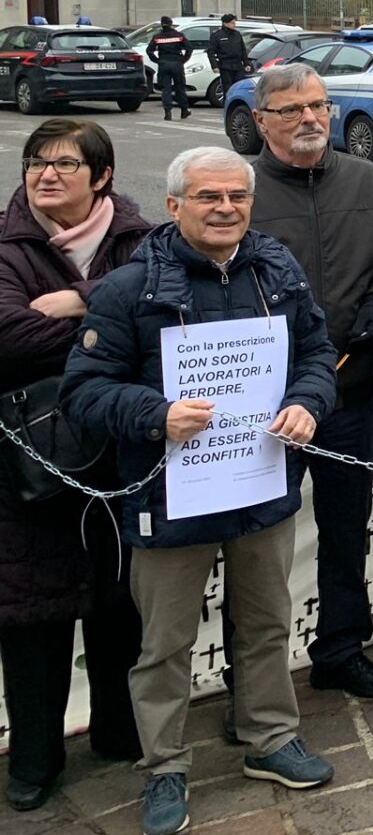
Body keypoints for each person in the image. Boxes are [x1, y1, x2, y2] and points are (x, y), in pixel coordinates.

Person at [62, 147, 338, 835]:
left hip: (260, 486)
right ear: (174, 204)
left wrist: (308, 401)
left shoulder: (278, 270)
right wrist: (155, 415)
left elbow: (315, 354)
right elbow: (84, 390)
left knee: (268, 623)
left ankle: (270, 738)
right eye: (208, 197)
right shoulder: (129, 288)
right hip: (167, 499)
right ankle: (165, 766)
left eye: (236, 198)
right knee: (165, 644)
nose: (224, 209)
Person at [248, 66, 373, 698]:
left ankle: (341, 648)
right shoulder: (240, 190)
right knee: (259, 548)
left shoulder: (369, 181)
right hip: (263, 407)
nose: (310, 119)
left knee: (346, 531)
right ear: (261, 121)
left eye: (318, 105)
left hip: (347, 393)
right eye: (291, 110)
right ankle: (254, 680)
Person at [0, 119, 148, 813]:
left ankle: (121, 734)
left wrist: (86, 301)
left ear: (103, 176)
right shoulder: (6, 245)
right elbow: (8, 333)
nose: (45, 174)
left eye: (63, 163)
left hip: (121, 463)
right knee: (33, 619)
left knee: (120, 606)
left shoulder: (142, 240)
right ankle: (35, 760)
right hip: (29, 470)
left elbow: (166, 318)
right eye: (36, 162)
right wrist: (111, 326)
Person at [146, 16, 191, 121]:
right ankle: (184, 110)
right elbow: (189, 48)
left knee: (166, 89)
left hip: (164, 63)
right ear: (171, 24)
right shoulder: (179, 35)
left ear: (162, 24)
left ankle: (168, 112)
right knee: (180, 87)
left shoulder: (157, 36)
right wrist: (183, 60)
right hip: (176, 63)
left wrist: (157, 61)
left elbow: (149, 51)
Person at [209, 14, 250, 99]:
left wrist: (246, 64)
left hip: (238, 66)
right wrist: (214, 66)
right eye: (232, 23)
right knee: (228, 89)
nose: (234, 25)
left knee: (240, 87)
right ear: (225, 23)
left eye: (234, 23)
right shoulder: (217, 35)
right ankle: (228, 106)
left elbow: (243, 50)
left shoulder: (237, 34)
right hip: (225, 66)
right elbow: (211, 52)